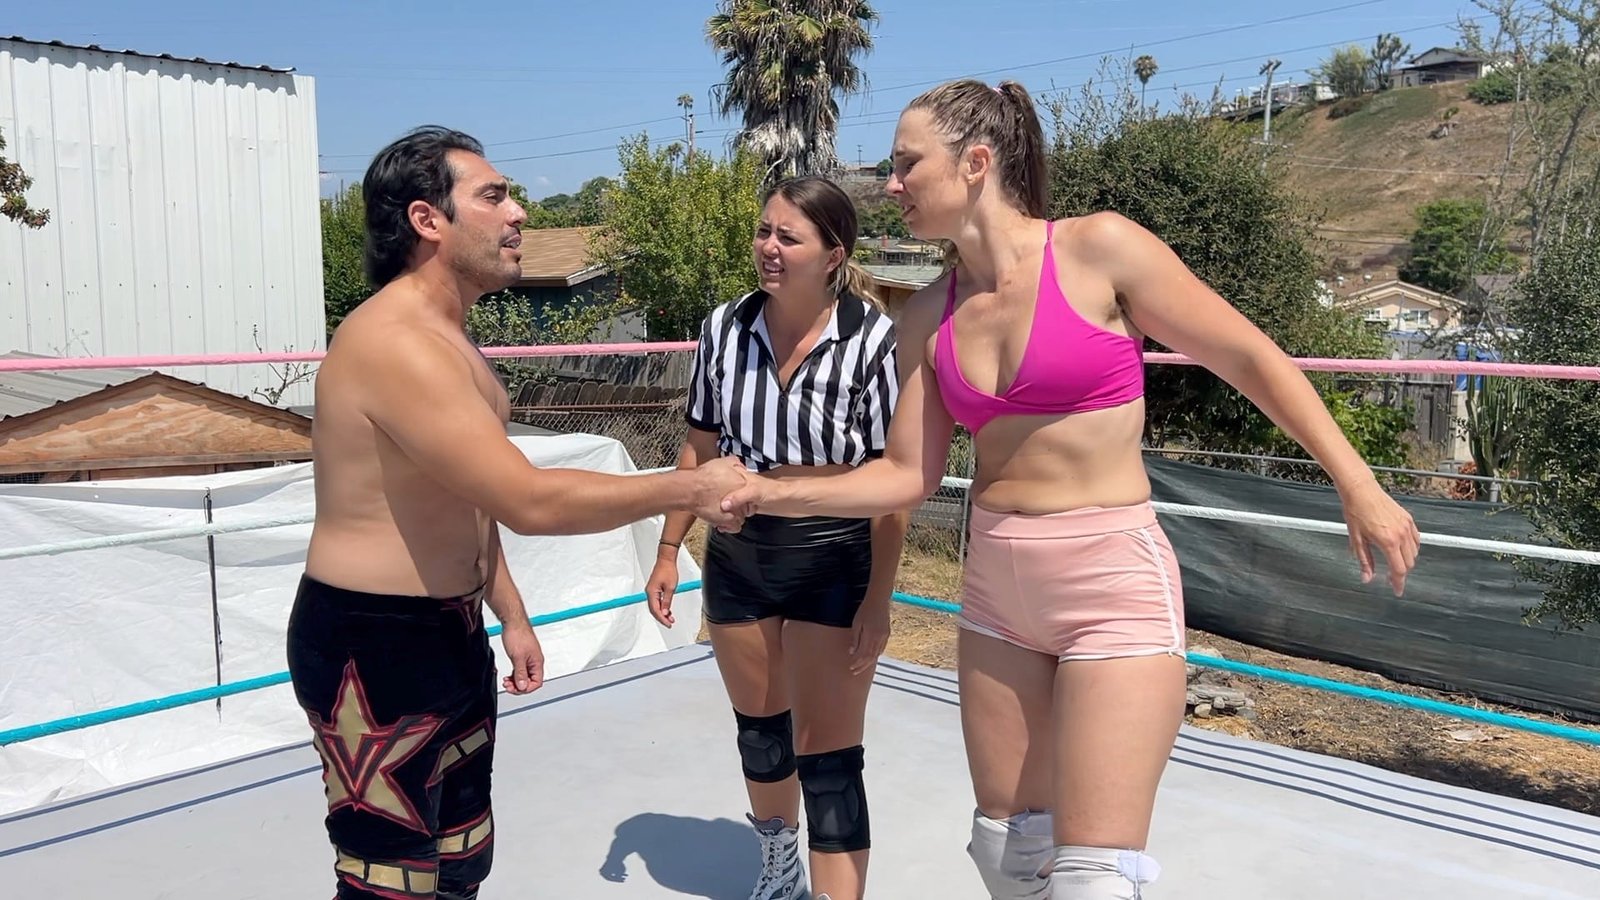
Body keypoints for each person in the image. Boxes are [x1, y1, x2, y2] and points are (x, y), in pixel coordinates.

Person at [719, 80, 1423, 898]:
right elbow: (907, 475)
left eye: (908, 163)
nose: (892, 182)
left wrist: (1357, 480)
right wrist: (767, 493)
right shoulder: (927, 316)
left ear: (975, 163)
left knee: (1093, 877)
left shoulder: (1100, 249)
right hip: (997, 595)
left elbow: (1246, 356)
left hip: (1110, 583)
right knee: (1008, 856)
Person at [285, 125, 747, 900]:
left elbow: (462, 493)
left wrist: (510, 611)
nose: (520, 212)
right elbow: (525, 498)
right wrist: (689, 488)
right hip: (374, 644)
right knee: (388, 884)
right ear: (428, 220)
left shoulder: (449, 336)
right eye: (494, 196)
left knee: (462, 860)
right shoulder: (395, 343)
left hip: (450, 628)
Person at [646, 175, 907, 900]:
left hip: (834, 558)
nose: (768, 247)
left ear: (833, 254)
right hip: (740, 557)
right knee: (762, 735)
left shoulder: (874, 339)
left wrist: (879, 599)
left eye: (788, 237)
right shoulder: (723, 327)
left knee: (830, 759)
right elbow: (698, 447)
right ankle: (780, 863)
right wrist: (668, 549)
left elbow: (893, 484)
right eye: (764, 231)